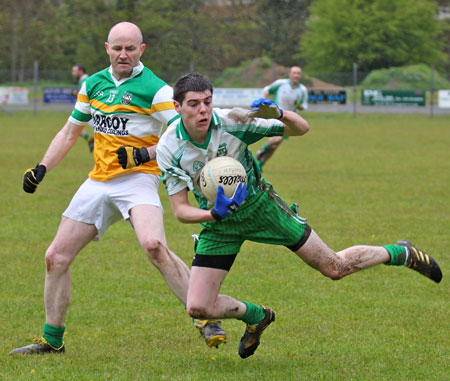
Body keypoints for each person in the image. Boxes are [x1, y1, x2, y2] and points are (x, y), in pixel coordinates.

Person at [154, 73, 442, 359]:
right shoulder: (169, 147)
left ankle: (401, 253)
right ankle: (258, 316)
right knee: (198, 307)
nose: (203, 110)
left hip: (261, 208)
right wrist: (213, 214)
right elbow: (180, 209)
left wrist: (280, 113)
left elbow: (301, 129)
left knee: (335, 268)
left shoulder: (232, 121)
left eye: (207, 101)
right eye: (193, 104)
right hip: (220, 224)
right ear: (177, 108)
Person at [10, 23, 225, 355]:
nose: (123, 54)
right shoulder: (93, 84)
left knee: (154, 246)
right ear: (107, 48)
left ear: (142, 50)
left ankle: (204, 315)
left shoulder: (156, 90)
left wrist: (143, 154)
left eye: (130, 48)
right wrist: (42, 168)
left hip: (140, 179)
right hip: (98, 180)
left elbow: (182, 133)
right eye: (117, 48)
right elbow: (70, 132)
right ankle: (52, 341)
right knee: (55, 257)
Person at [255, 66, 308, 168]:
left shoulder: (303, 90)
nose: (296, 75)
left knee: (275, 146)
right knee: (278, 139)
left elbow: (304, 106)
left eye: (298, 73)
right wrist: (263, 102)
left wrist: (299, 105)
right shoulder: (281, 83)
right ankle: (262, 149)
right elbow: (267, 89)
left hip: (289, 120)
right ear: (290, 74)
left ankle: (260, 165)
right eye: (294, 73)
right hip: (277, 115)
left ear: (300, 76)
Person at [72, 63, 94, 152]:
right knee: (75, 128)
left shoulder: (85, 80)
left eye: (75, 71)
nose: (73, 73)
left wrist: (76, 93)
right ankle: (90, 140)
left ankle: (91, 141)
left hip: (90, 110)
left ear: (81, 72)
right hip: (89, 110)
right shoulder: (83, 80)